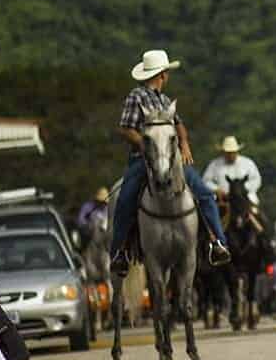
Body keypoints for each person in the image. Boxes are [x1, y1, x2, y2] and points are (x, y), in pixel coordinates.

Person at [109, 49, 230, 277]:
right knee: (124, 199)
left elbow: (179, 123)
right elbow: (125, 128)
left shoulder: (165, 101)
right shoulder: (136, 96)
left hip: (172, 162)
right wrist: (147, 146)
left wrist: (184, 143)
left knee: (204, 194)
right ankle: (120, 252)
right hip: (142, 161)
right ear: (162, 74)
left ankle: (217, 243)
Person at [202, 136, 263, 207]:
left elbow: (256, 179)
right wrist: (216, 189)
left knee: (255, 214)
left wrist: (242, 189)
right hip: (222, 199)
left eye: (232, 152)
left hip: (245, 198)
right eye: (228, 152)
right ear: (223, 152)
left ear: (237, 151)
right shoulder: (214, 164)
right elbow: (205, 181)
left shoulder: (248, 163)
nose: (230, 155)